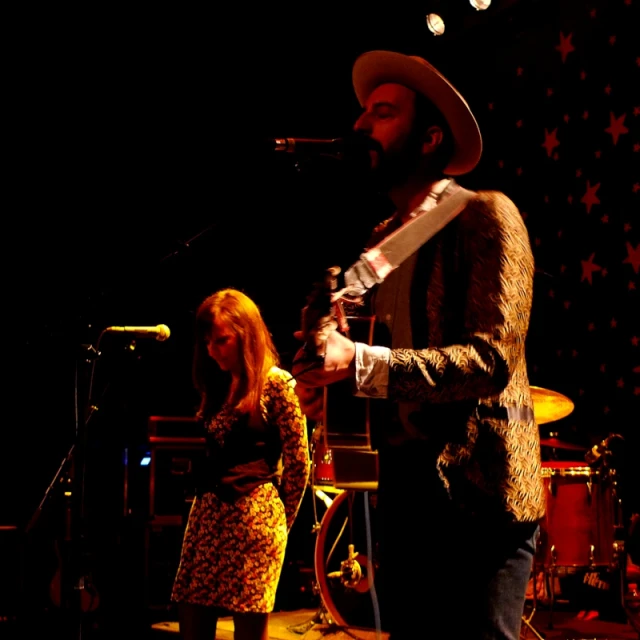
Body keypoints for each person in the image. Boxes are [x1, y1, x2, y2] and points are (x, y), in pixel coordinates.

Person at [292, 50, 546, 640]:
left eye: (381, 113)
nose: (359, 127)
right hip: (405, 491)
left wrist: (358, 364)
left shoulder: (484, 214)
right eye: (363, 113)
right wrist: (321, 343)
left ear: (430, 138)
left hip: (481, 498)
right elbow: (336, 330)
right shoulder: (383, 241)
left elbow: (489, 361)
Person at [171, 288, 310, 640]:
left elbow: (299, 464)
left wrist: (279, 522)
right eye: (208, 342)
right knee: (191, 618)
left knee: (247, 629)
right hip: (207, 519)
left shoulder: (276, 383)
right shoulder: (220, 384)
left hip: (252, 522)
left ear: (246, 336)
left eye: (221, 341)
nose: (212, 350)